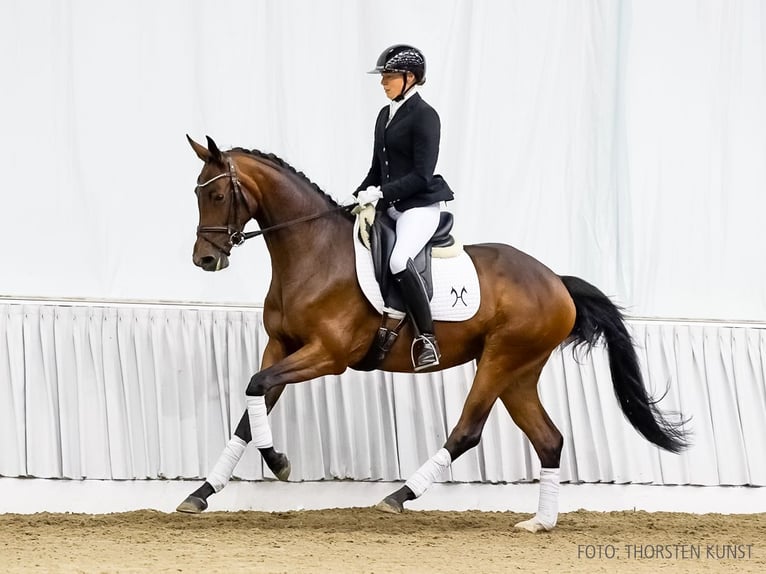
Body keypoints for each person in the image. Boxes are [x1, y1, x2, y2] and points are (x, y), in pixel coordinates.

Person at [354, 44, 455, 371]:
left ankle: (427, 338)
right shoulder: (385, 114)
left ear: (410, 77)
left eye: (389, 76)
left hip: (419, 207)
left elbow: (421, 175)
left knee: (399, 259)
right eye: (383, 76)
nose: (383, 82)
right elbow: (376, 169)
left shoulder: (426, 116)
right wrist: (358, 195)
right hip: (390, 204)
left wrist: (380, 194)